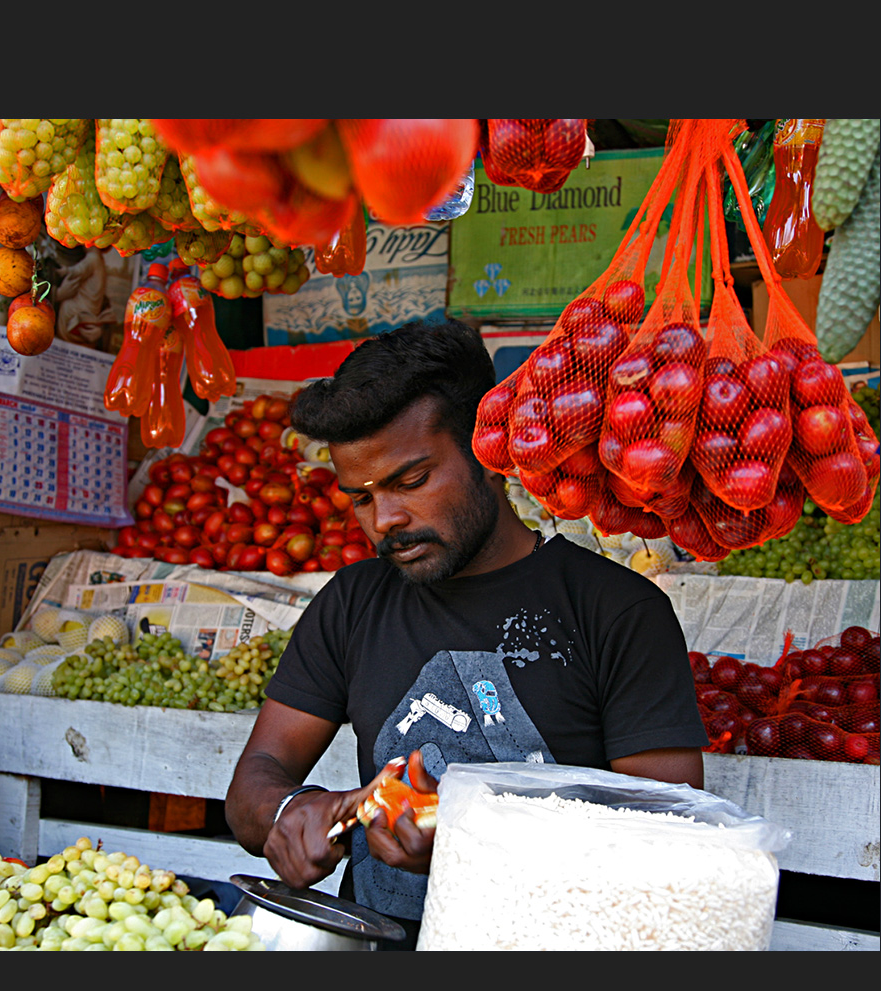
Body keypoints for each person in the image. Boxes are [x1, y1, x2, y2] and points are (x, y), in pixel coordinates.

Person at [224, 317, 708, 949]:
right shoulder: (351, 603)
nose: (385, 519)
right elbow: (258, 774)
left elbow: (668, 845)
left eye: (411, 481)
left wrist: (475, 846)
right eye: (360, 498)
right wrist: (291, 814)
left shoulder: (616, 613)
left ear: (488, 453)